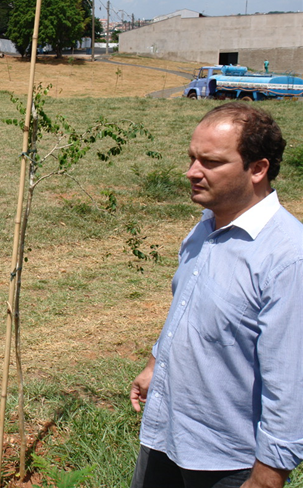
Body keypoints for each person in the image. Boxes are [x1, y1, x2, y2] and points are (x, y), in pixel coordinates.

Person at [129, 102, 303, 488]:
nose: (192, 172)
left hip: (228, 462)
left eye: (210, 162)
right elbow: (188, 308)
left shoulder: (288, 258)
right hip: (166, 434)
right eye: (192, 158)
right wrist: (156, 364)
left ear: (257, 169)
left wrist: (269, 474)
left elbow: (291, 381)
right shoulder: (205, 228)